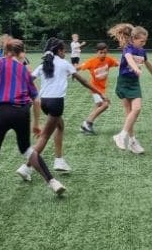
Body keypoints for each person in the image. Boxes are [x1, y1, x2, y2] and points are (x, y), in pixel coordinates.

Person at [0, 39, 65, 211]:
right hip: (23, 112)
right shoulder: (25, 71)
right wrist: (36, 123)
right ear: (22, 53)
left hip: (4, 111)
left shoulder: (0, 62)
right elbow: (36, 100)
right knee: (27, 150)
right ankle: (52, 182)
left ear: (7, 52)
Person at [17, 37, 108, 179]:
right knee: (45, 136)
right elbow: (83, 81)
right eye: (64, 50)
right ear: (59, 51)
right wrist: (100, 93)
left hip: (44, 102)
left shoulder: (43, 64)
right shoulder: (64, 64)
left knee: (60, 126)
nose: (65, 53)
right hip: (56, 103)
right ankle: (26, 167)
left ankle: (59, 160)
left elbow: (27, 80)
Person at [108, 23, 152, 154]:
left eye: (145, 41)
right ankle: (131, 141)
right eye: (142, 41)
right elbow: (129, 59)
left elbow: (148, 64)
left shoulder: (142, 51)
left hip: (134, 83)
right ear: (134, 39)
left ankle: (124, 137)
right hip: (124, 82)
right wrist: (136, 68)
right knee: (130, 112)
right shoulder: (128, 49)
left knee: (135, 109)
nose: (144, 43)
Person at [77, 42, 119, 134]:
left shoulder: (108, 60)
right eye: (101, 52)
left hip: (102, 89)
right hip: (94, 88)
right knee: (105, 104)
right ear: (97, 52)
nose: (103, 54)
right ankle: (87, 123)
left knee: (98, 106)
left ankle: (85, 125)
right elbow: (79, 67)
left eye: (105, 52)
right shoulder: (91, 62)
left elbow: (118, 63)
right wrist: (68, 73)